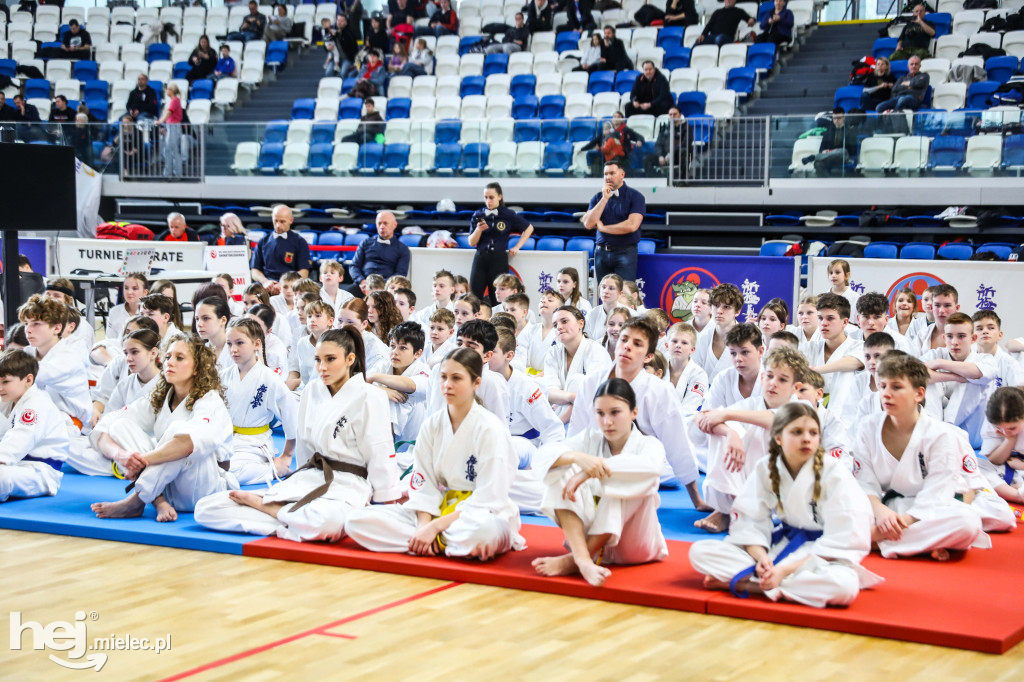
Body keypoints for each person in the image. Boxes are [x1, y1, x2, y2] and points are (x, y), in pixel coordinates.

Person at [196, 327, 402, 540]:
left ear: (350, 359)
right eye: (318, 360)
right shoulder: (311, 391)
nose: (322, 367)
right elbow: (304, 450)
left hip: (348, 485)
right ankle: (294, 519)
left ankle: (274, 511)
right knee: (207, 508)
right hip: (309, 478)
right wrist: (299, 478)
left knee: (326, 523)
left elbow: (380, 450)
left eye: (330, 359)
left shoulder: (371, 396)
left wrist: (385, 500)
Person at [690, 402, 882, 607]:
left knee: (844, 587)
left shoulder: (834, 473)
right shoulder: (767, 467)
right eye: (797, 432)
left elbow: (845, 536)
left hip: (819, 555)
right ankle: (775, 582)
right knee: (699, 552)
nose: (807, 438)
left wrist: (783, 570)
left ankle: (748, 585)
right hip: (779, 545)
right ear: (779, 437)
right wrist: (762, 557)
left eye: (813, 433)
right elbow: (749, 520)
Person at [345, 348, 525, 559]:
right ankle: (436, 542)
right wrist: (424, 525)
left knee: (485, 532)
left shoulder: (491, 429)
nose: (447, 385)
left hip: (477, 515)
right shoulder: (432, 425)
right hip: (438, 508)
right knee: (356, 521)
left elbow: (489, 497)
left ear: (476, 383)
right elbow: (424, 485)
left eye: (456, 378)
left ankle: (428, 541)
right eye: (443, 377)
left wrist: (435, 528)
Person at [533, 378, 667, 586]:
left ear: (634, 412)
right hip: (588, 538)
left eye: (615, 412)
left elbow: (652, 469)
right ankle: (583, 559)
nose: (607, 422)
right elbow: (542, 456)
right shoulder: (589, 439)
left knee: (621, 483)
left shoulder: (650, 445)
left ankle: (573, 561)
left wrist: (589, 473)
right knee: (559, 470)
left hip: (634, 546)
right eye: (600, 413)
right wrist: (578, 459)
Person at [89, 335, 238, 522]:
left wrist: (141, 461)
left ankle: (138, 499)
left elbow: (188, 444)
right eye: (168, 357)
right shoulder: (160, 397)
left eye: (180, 358)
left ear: (197, 368)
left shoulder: (210, 400)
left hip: (202, 489)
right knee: (120, 426)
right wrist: (122, 456)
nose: (170, 363)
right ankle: (157, 501)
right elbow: (106, 424)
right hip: (165, 487)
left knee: (179, 432)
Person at [852, 354, 985, 560]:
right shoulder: (867, 427)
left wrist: (902, 522)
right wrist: (880, 511)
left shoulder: (941, 434)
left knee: (968, 523)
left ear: (919, 393)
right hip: (887, 507)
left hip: (929, 511)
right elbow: (864, 483)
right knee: (836, 509)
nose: (886, 394)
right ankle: (926, 543)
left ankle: (874, 540)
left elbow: (937, 492)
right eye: (883, 386)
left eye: (896, 387)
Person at [570, 316, 708, 508]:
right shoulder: (591, 382)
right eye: (624, 340)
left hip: (637, 466)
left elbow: (678, 444)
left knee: (660, 463)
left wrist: (696, 499)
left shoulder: (659, 391)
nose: (627, 347)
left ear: (648, 357)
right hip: (596, 464)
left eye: (637, 344)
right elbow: (577, 433)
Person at [221, 318, 297, 484]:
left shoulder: (269, 379)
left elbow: (291, 417)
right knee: (200, 467)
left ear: (256, 344)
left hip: (254, 443)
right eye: (229, 344)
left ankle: (272, 470)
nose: (233, 349)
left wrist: (287, 455)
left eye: (240, 343)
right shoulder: (224, 376)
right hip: (226, 440)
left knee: (228, 472)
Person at [0, 349, 72, 502]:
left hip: (39, 471)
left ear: (28, 380)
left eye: (5, 382)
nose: (0, 388)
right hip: (14, 465)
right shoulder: (7, 401)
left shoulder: (36, 405)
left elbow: (17, 442)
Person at [19, 295, 91, 431]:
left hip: (70, 425)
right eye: (26, 323)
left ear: (57, 328)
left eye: (36, 324)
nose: (28, 330)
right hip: (37, 418)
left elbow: (31, 375)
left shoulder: (69, 357)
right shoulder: (28, 352)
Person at [365, 320, 430, 462]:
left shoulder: (423, 371)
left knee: (400, 399)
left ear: (418, 353)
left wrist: (374, 378)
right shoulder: (384, 366)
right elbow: (358, 385)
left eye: (403, 348)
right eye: (392, 346)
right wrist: (382, 390)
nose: (395, 352)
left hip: (412, 445)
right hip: (381, 440)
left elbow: (411, 386)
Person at [468, 183, 535, 306]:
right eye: (485, 197)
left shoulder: (508, 214)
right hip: (481, 257)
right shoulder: (478, 214)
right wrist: (478, 230)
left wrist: (517, 246)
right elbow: (472, 242)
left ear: (499, 196)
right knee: (474, 296)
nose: (488, 201)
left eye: (491, 197)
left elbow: (529, 228)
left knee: (498, 297)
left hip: (498, 259)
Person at [582, 161, 646, 282]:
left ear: (622, 175)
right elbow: (588, 223)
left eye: (612, 173)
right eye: (605, 174)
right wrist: (604, 199)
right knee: (604, 295)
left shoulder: (636, 197)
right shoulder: (597, 197)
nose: (608, 177)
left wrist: (603, 228)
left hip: (625, 252)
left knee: (624, 295)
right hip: (601, 253)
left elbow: (632, 225)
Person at [250, 204, 312, 293]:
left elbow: (304, 272)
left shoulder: (300, 242)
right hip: (266, 286)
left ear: (291, 220)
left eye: (282, 222)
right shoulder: (263, 241)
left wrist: (284, 285)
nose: (278, 225)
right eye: (275, 221)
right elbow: (254, 270)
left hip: (290, 288)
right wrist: (265, 282)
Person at [978, 387, 1024, 505]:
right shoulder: (992, 420)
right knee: (975, 465)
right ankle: (1017, 494)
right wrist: (1010, 439)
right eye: (999, 428)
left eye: (1012, 428)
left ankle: (1013, 492)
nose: (1004, 432)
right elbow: (994, 460)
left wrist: (1022, 466)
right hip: (1004, 470)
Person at [810, 108, 857, 178]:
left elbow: (852, 150)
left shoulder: (850, 131)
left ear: (843, 118)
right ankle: (828, 182)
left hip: (844, 156)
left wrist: (832, 151)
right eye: (834, 118)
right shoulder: (828, 132)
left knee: (842, 151)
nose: (836, 121)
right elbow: (821, 150)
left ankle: (814, 157)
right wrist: (824, 151)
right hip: (829, 157)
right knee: (818, 163)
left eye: (838, 118)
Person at [643, 107, 686, 178]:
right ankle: (655, 179)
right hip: (664, 157)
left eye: (675, 114)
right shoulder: (665, 129)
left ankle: (681, 181)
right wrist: (660, 156)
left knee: (685, 155)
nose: (672, 116)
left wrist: (671, 154)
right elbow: (658, 145)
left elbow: (685, 144)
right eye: (670, 114)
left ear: (680, 115)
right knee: (647, 159)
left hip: (677, 156)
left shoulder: (686, 128)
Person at [106, 273, 149, 343]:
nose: (129, 292)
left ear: (145, 292)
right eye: (126, 288)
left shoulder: (150, 313)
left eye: (135, 288)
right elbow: (109, 341)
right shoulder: (114, 312)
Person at [158, 83, 185, 177]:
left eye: (167, 89)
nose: (166, 91)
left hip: (174, 127)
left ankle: (176, 173)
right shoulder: (173, 101)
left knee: (172, 150)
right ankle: (169, 173)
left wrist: (160, 121)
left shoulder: (175, 100)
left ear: (171, 90)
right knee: (169, 150)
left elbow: (169, 112)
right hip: (170, 126)